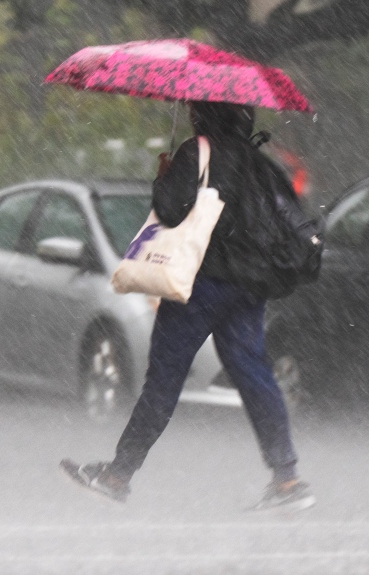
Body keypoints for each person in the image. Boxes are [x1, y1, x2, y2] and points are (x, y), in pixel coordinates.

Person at [61, 101, 314, 512]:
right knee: (254, 376)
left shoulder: (196, 153)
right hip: (249, 287)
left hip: (201, 284)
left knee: (163, 381)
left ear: (202, 115)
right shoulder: (260, 164)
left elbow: (169, 210)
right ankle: (287, 479)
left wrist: (164, 178)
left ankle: (117, 475)